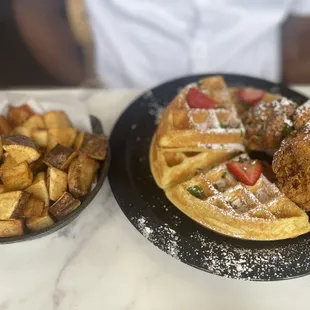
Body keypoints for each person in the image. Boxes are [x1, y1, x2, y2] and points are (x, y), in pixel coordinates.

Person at [11, 0, 310, 88]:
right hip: (122, 95)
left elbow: (301, 32)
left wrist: (287, 101)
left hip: (256, 96)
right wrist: (86, 88)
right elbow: (36, 9)